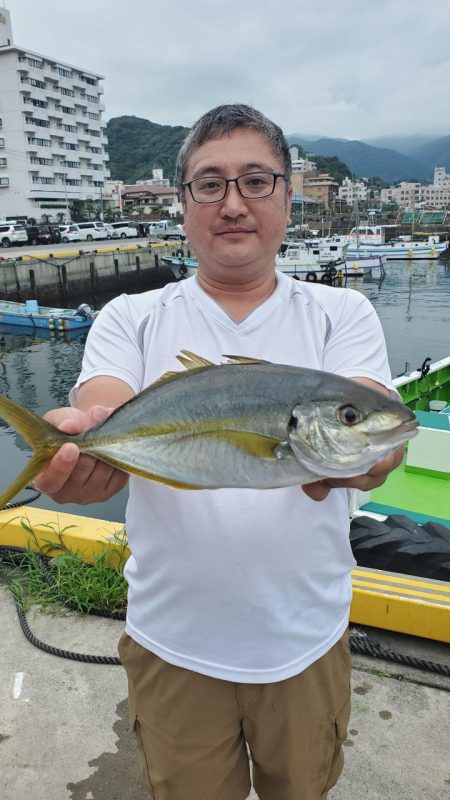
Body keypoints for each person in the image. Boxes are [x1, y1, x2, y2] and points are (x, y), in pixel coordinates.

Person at [36, 104, 403, 800]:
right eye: (210, 184)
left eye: (256, 181)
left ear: (289, 196)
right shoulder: (132, 318)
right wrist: (86, 441)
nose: (233, 202)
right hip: (172, 644)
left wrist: (369, 451)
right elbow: (104, 405)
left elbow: (365, 407)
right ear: (182, 204)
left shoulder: (340, 314)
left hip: (305, 640)